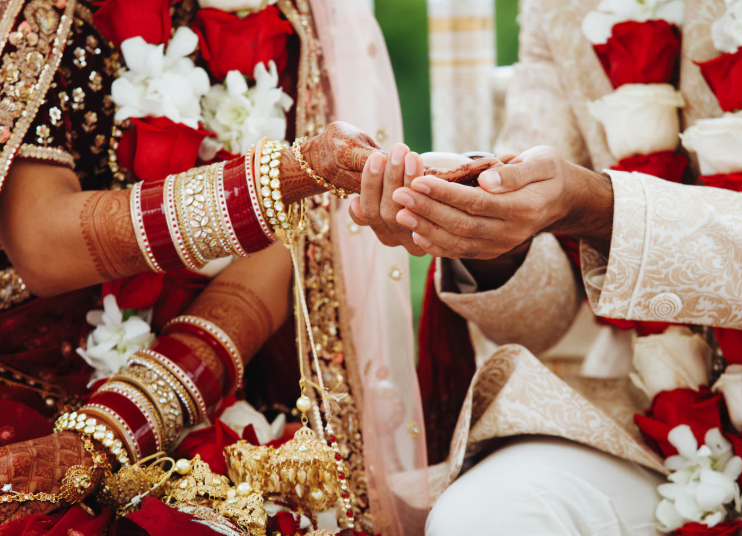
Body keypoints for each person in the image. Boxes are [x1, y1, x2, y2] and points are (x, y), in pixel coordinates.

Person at [0, 1, 498, 534]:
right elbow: (41, 244)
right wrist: (292, 173)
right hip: (20, 389)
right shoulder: (44, 13)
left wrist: (115, 427)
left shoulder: (282, 20)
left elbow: (279, 254)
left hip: (190, 394)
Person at [354, 0, 742, 534]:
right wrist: (489, 238)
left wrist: (602, 209)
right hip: (656, 417)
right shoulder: (559, 7)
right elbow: (541, 317)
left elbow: (585, 203)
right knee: (485, 517)